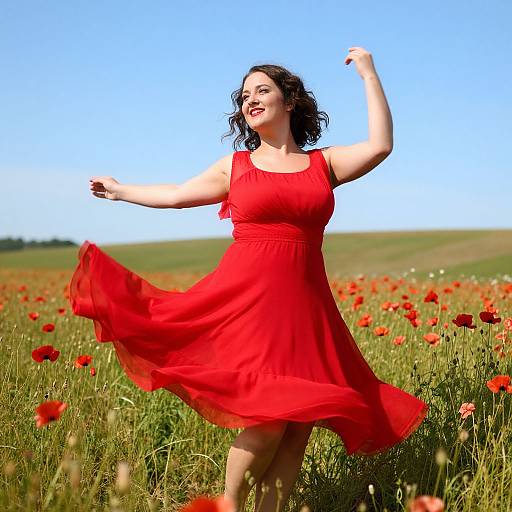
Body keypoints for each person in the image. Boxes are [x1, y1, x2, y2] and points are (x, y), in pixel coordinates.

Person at [72, 47, 429, 512]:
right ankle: (229, 505)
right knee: (269, 418)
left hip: (305, 307)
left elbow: (381, 144)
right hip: (247, 301)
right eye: (245, 96)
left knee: (299, 424)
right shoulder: (235, 166)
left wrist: (368, 73)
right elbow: (178, 195)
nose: (251, 100)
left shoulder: (324, 164)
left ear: (290, 102)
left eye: (263, 91)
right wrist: (122, 191)